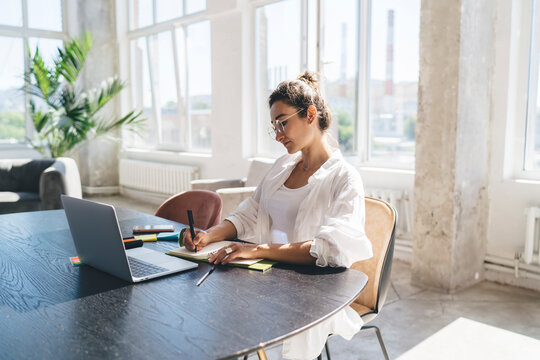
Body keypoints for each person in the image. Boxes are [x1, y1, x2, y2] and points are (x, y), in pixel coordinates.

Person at [183, 71, 373, 360]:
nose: (278, 135)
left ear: (310, 114)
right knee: (205, 312)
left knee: (226, 318)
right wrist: (209, 235)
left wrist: (258, 250)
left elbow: (330, 249)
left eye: (283, 123)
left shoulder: (344, 178)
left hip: (312, 294)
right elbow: (248, 214)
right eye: (274, 126)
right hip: (266, 281)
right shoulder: (281, 167)